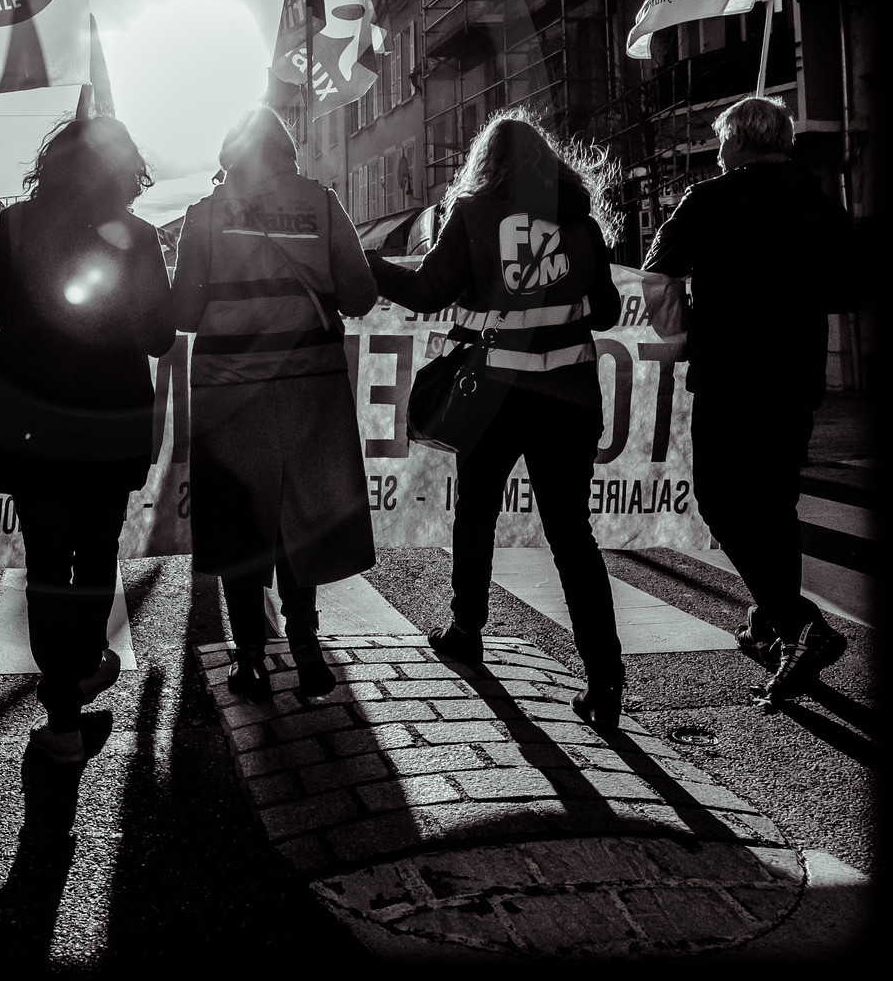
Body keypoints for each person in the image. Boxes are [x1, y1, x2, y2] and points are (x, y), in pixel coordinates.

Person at [367, 109, 627, 730]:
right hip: (569, 403)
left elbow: (429, 292)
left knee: (477, 509)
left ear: (489, 162)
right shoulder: (580, 222)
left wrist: (363, 263)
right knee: (572, 536)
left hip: (495, 399)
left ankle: (466, 627)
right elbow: (609, 315)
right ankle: (605, 677)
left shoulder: (475, 215)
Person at [0, 117, 175, 764]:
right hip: (109, 423)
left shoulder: (20, 224)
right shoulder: (137, 236)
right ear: (125, 170)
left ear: (51, 164)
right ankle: (82, 664)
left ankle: (63, 717)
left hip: (35, 424)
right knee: (96, 553)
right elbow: (161, 334)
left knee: (49, 562)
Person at [642, 94, 857, 703]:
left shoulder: (711, 200)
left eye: (720, 142)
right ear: (784, 141)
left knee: (721, 501)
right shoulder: (821, 205)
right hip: (794, 378)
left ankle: (797, 624)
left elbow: (659, 270)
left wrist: (688, 325)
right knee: (774, 504)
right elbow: (847, 287)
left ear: (734, 143)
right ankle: (775, 625)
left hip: (730, 376)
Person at [171, 107, 378, 704]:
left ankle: (252, 660)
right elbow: (361, 295)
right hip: (311, 388)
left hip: (229, 393)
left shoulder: (206, 217)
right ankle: (307, 646)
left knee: (241, 520)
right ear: (285, 148)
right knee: (302, 512)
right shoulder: (321, 203)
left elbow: (183, 315)